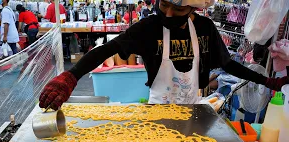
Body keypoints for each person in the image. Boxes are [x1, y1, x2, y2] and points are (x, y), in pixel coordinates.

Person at [39, 0, 289, 110]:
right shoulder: (148, 28)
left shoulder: (204, 29)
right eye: (164, 5)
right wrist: (71, 76)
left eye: (177, 8)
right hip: (157, 108)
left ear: (192, 8)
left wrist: (267, 81)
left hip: (193, 109)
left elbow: (228, 64)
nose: (168, 14)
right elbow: (107, 49)